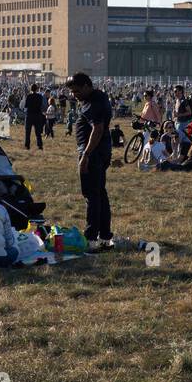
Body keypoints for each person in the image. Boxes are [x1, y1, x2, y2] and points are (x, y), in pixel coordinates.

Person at [67, 72, 114, 250]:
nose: (74, 95)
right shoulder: (97, 98)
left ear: (87, 86)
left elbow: (98, 128)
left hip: (93, 154)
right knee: (100, 194)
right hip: (99, 152)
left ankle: (91, 238)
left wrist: (86, 155)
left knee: (92, 196)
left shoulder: (93, 103)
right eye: (72, 91)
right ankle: (104, 236)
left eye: (77, 91)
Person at [23, 83, 45, 151]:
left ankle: (27, 145)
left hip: (29, 115)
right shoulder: (40, 96)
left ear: (31, 89)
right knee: (38, 132)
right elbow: (41, 105)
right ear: (37, 89)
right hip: (37, 115)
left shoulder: (29, 96)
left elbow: (26, 106)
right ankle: (40, 145)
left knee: (28, 132)